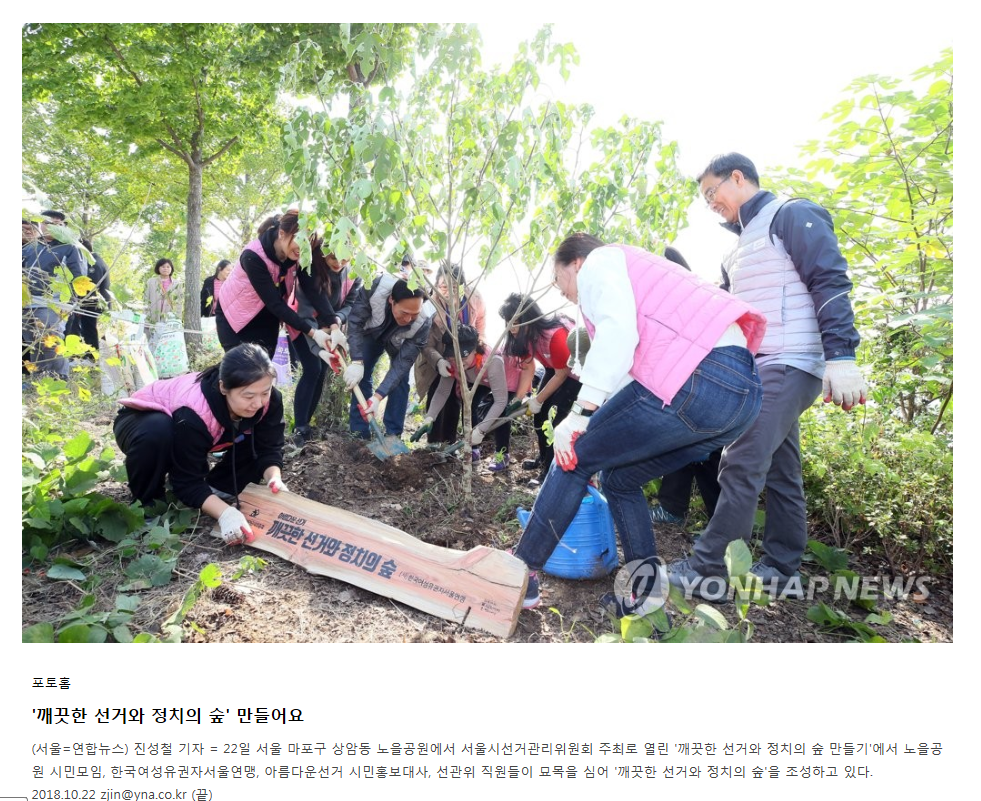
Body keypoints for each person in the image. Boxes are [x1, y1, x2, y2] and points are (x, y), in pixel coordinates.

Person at [510, 232, 766, 613]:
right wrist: (599, 433)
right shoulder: (638, 278)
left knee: (574, 453)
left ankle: (518, 574)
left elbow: (618, 332)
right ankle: (645, 594)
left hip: (699, 376)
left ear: (576, 263)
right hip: (738, 398)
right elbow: (631, 384)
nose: (559, 288)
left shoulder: (600, 262)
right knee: (620, 479)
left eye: (558, 277)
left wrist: (578, 418)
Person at [667, 152, 867, 602]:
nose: (710, 204)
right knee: (781, 471)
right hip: (762, 367)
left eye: (712, 192)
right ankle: (781, 568)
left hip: (790, 360)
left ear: (737, 177)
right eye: (705, 199)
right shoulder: (736, 249)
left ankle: (708, 570)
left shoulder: (792, 214)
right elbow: (731, 311)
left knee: (739, 462)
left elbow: (829, 280)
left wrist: (841, 356)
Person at [113, 343, 288, 545]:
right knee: (158, 433)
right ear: (224, 387)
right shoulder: (193, 413)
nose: (258, 403)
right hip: (142, 423)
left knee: (252, 443)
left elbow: (268, 447)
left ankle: (215, 488)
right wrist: (225, 513)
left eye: (264, 393)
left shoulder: (269, 402)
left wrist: (273, 478)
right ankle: (149, 505)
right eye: (248, 396)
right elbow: (186, 480)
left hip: (191, 432)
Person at [215, 210, 338, 358]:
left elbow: (313, 290)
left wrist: (334, 325)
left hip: (268, 315)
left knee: (265, 372)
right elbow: (275, 303)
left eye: (308, 241)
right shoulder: (253, 257)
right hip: (236, 318)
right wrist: (313, 333)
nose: (303, 248)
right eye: (300, 240)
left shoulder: (299, 255)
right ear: (281, 233)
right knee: (242, 373)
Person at [286, 242, 363, 446]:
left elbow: (350, 304)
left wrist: (336, 321)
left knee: (321, 372)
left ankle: (305, 425)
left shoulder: (354, 275)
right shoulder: (310, 271)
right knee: (312, 369)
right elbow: (304, 308)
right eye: (333, 258)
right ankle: (300, 428)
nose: (338, 263)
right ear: (323, 255)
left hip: (331, 328)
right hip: (303, 324)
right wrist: (317, 334)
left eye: (344, 258)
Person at [499, 293, 578, 483]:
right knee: (539, 417)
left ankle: (550, 472)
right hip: (555, 370)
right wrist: (519, 399)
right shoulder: (523, 337)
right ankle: (543, 459)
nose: (511, 327)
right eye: (508, 321)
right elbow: (528, 368)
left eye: (514, 321)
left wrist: (538, 399)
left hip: (575, 376)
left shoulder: (555, 335)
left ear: (527, 319)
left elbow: (563, 374)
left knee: (554, 419)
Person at [343, 276, 431, 439]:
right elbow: (355, 321)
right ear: (392, 300)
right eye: (404, 312)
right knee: (361, 373)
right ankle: (359, 432)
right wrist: (356, 360)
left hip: (399, 341)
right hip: (372, 332)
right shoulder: (374, 289)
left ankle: (393, 434)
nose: (408, 319)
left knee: (401, 379)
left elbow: (402, 364)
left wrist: (378, 397)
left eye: (414, 314)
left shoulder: (423, 323)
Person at [413, 262, 487, 444]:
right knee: (437, 391)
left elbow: (481, 322)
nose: (448, 291)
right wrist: (439, 362)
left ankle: (449, 441)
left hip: (464, 355)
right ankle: (433, 442)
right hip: (438, 355)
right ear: (436, 285)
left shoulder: (474, 298)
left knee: (456, 396)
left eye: (453, 287)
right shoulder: (430, 306)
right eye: (443, 286)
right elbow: (426, 344)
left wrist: (479, 344)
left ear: (462, 287)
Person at [420, 325, 510, 464]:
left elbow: (500, 400)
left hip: (495, 380)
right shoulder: (451, 362)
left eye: (464, 357)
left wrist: (481, 430)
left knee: (500, 411)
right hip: (470, 380)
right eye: (454, 358)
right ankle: (472, 449)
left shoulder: (493, 361)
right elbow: (442, 392)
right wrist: (430, 417)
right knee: (470, 405)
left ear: (475, 349)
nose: (459, 362)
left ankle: (502, 453)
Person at [22, 209, 86, 378]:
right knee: (34, 344)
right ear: (41, 224)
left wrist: (71, 304)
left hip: (52, 304)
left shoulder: (70, 248)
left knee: (51, 343)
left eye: (58, 224)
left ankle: (59, 380)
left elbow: (80, 278)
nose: (53, 227)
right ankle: (39, 382)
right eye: (49, 223)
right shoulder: (32, 247)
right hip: (27, 303)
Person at [65, 237, 112, 358]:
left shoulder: (93, 263)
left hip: (91, 303)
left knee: (88, 330)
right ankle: (85, 355)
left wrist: (80, 303)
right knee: (84, 329)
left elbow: (90, 286)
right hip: (88, 302)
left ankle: (91, 357)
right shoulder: (93, 260)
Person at [143, 257, 183, 342]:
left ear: (171, 269)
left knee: (166, 340)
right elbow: (146, 299)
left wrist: (177, 317)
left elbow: (179, 302)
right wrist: (146, 315)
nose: (165, 269)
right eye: (163, 266)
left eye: (168, 267)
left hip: (169, 317)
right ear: (158, 268)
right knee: (151, 340)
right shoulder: (151, 282)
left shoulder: (177, 284)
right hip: (153, 315)